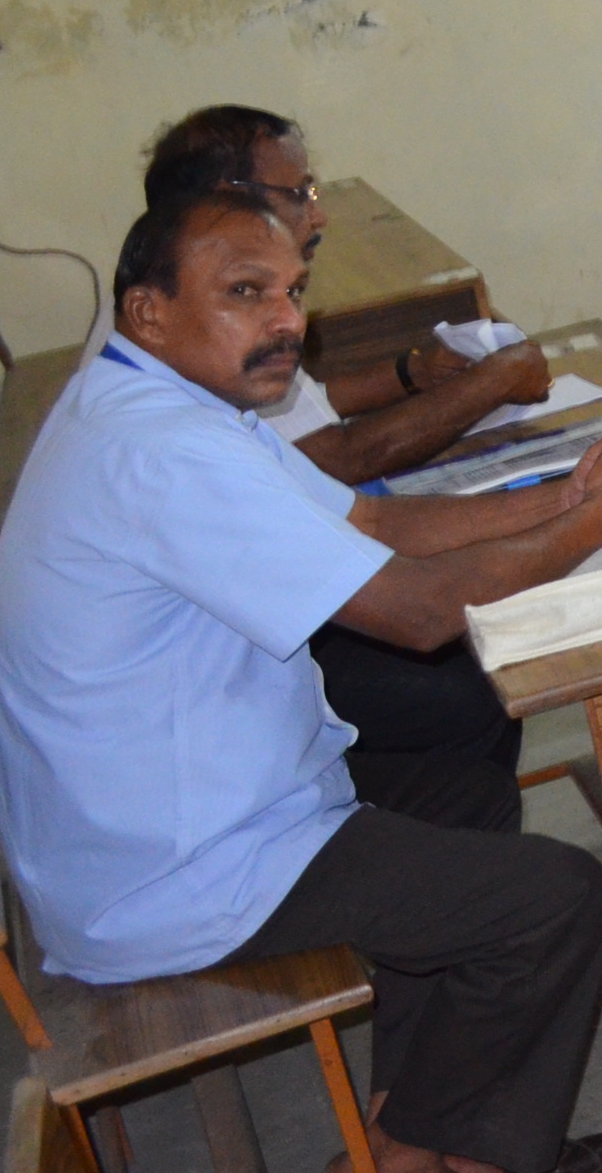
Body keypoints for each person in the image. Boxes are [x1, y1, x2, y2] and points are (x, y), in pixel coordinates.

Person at [0, 191, 602, 1173]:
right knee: (554, 902)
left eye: (291, 292)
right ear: (149, 310)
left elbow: (372, 523)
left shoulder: (159, 401)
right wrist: (592, 524)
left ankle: (423, 1122)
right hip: (175, 865)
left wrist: (557, 500)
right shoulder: (161, 452)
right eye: (244, 293)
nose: (284, 322)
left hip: (174, 814)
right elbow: (418, 611)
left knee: (465, 790)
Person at [142, 105, 560, 832]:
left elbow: (314, 427)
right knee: (466, 678)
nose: (319, 213)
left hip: (252, 624)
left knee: (467, 633)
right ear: (229, 201)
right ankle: (431, 848)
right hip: (232, 684)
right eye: (298, 193)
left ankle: (454, 837)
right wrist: (496, 384)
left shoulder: (196, 289)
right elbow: (338, 460)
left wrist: (409, 374)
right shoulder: (192, 351)